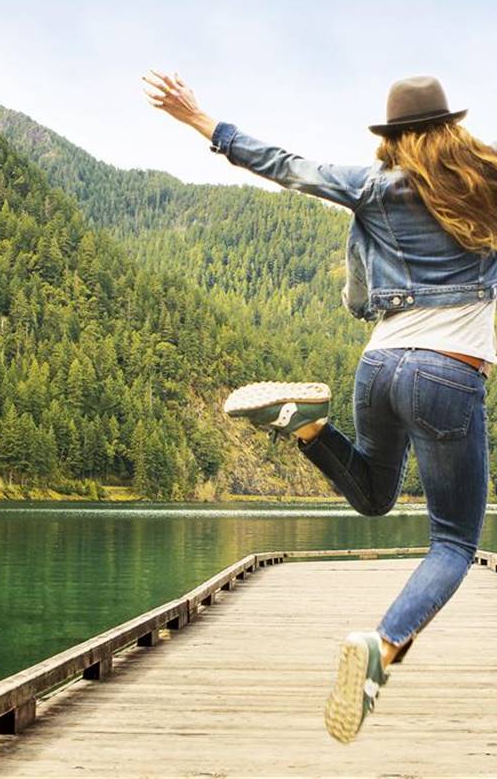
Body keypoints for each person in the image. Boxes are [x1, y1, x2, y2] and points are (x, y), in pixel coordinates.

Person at [142, 71, 497, 743]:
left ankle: (306, 425)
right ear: (453, 125)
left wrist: (200, 120)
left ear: (393, 138)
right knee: (453, 543)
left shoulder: (373, 187)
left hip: (379, 365)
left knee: (372, 497)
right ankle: (383, 648)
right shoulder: (489, 186)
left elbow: (286, 166)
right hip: (445, 375)